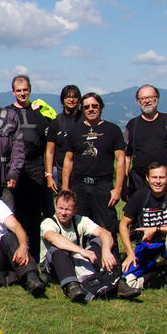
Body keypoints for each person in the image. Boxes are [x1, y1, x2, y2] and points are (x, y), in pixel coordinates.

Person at [117, 163, 167, 302]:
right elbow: (123, 224)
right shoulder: (140, 195)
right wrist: (130, 253)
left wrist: (157, 229)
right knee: (126, 282)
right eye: (154, 177)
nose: (158, 181)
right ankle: (159, 272)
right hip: (147, 246)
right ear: (147, 178)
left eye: (161, 177)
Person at [61, 93, 126, 234]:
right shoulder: (74, 131)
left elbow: (121, 160)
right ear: (82, 109)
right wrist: (66, 187)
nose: (90, 109)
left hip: (103, 185)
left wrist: (118, 189)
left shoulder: (113, 130)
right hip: (79, 186)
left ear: (101, 107)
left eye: (94, 106)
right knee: (79, 226)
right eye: (86, 107)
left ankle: (110, 254)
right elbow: (68, 160)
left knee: (107, 226)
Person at [41, 190, 121, 302]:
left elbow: (105, 233)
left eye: (68, 209)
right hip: (54, 266)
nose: (63, 213)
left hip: (77, 261)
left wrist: (106, 250)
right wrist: (82, 251)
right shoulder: (48, 222)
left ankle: (115, 279)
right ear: (55, 206)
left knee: (100, 241)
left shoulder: (80, 220)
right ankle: (72, 287)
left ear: (75, 209)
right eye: (60, 208)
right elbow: (53, 237)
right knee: (58, 249)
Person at [8, 75, 55, 262]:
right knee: (17, 208)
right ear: (13, 92)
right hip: (15, 164)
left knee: (35, 210)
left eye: (25, 90)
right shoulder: (8, 112)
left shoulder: (38, 112)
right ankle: (20, 249)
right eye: (18, 90)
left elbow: (48, 136)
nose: (22, 93)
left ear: (30, 90)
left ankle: (36, 251)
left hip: (36, 164)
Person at [124, 85, 167, 197]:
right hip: (139, 182)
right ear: (138, 102)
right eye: (143, 98)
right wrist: (123, 184)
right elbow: (126, 157)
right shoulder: (132, 125)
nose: (147, 101)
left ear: (157, 99)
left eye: (150, 97)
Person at [44, 85, 83, 193]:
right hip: (61, 170)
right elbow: (50, 151)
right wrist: (49, 175)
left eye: (74, 97)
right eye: (67, 97)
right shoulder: (56, 122)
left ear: (79, 99)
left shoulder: (85, 120)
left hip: (83, 170)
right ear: (63, 100)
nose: (71, 100)